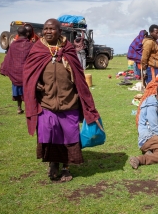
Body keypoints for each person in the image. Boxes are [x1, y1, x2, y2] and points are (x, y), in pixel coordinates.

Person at [23, 19, 101, 182]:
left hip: (69, 102)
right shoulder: (37, 49)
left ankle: (66, 167)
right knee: (49, 134)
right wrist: (34, 82)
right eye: (45, 29)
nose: (48, 31)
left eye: (52, 29)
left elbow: (79, 76)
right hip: (46, 103)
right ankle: (53, 164)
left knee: (69, 136)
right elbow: (28, 72)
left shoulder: (68, 49)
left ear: (60, 32)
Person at [0, 26, 34, 114]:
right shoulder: (30, 45)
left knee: (18, 91)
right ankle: (28, 109)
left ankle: (19, 108)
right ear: (26, 34)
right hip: (27, 73)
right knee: (27, 91)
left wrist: (4, 67)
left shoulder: (13, 45)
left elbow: (8, 58)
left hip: (15, 73)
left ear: (17, 34)